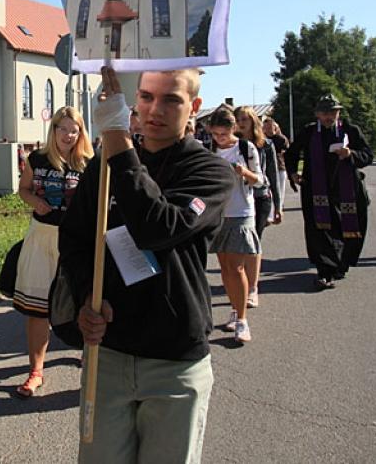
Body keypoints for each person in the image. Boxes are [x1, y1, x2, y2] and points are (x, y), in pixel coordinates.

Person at [60, 68, 234, 463]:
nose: (155, 109)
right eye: (146, 97)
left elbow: (156, 228)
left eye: (171, 99)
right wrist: (88, 293)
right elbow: (74, 238)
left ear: (194, 106)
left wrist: (117, 139)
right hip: (108, 352)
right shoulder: (105, 164)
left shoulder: (211, 171)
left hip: (173, 358)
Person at [13, 106, 94, 397]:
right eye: (64, 129)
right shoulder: (36, 158)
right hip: (41, 237)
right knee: (37, 308)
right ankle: (35, 371)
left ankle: (89, 353)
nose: (69, 135)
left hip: (75, 241)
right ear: (54, 129)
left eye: (75, 130)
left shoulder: (88, 163)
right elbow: (23, 189)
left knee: (80, 300)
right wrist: (36, 202)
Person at [285, 93, 374, 290]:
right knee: (320, 230)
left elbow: (368, 155)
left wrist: (350, 154)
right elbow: (291, 153)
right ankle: (325, 271)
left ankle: (340, 265)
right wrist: (293, 173)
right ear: (317, 114)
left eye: (333, 112)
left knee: (347, 229)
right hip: (316, 190)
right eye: (325, 112)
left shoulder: (350, 130)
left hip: (347, 189)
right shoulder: (309, 132)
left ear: (338, 113)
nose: (329, 116)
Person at [208, 107, 265, 343]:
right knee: (225, 267)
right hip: (218, 213)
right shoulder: (209, 150)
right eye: (216, 134)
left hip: (241, 211)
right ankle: (234, 309)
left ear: (234, 129)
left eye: (224, 134)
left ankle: (242, 320)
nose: (220, 138)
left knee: (237, 267)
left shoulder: (245, 148)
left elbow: (260, 180)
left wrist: (243, 173)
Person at [235, 105, 281, 309]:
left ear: (254, 121)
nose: (242, 122)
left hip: (261, 198)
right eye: (239, 118)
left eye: (246, 118)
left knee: (253, 242)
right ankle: (241, 283)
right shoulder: (230, 143)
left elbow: (272, 175)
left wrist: (278, 207)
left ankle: (253, 288)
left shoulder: (265, 144)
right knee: (237, 247)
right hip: (237, 199)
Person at [262, 117, 289, 216]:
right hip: (267, 169)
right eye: (265, 127)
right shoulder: (263, 140)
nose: (267, 129)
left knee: (279, 189)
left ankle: (278, 209)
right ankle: (269, 212)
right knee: (268, 191)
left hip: (279, 167)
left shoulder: (281, 139)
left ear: (275, 127)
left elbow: (287, 152)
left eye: (270, 126)